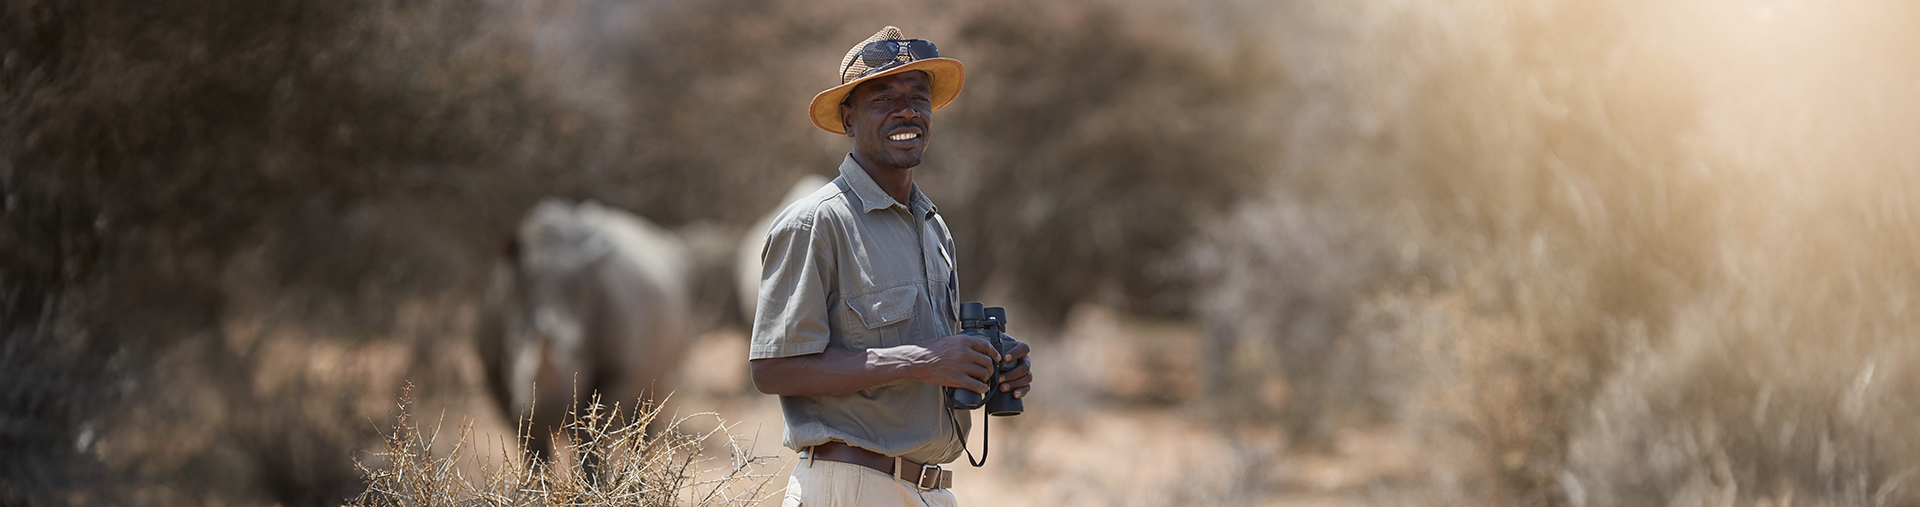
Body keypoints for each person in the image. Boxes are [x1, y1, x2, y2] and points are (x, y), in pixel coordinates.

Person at [749, 26, 1035, 507]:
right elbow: (772, 369)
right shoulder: (816, 223)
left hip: (931, 489)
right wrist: (921, 361)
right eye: (883, 99)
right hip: (852, 487)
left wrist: (989, 366)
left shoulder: (933, 226)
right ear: (849, 119)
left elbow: (934, 356)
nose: (907, 111)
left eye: (918, 97)